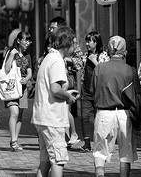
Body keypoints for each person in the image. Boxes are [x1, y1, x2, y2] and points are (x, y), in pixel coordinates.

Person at [31, 26, 79, 177]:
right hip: (52, 118)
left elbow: (51, 88)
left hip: (42, 116)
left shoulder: (48, 58)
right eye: (74, 43)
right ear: (67, 43)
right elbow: (55, 89)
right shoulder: (57, 60)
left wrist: (66, 93)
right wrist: (68, 97)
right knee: (58, 160)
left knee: (45, 160)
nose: (76, 46)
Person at [92, 36, 140, 177]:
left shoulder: (99, 68)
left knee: (100, 151)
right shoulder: (130, 70)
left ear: (108, 50)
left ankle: (100, 175)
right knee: (126, 152)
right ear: (124, 52)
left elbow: (93, 91)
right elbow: (137, 94)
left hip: (103, 112)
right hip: (124, 115)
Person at [48, 16, 84, 148]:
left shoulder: (71, 41)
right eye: (50, 27)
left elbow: (80, 62)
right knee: (61, 109)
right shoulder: (52, 42)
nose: (50, 30)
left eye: (53, 27)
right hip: (55, 79)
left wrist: (67, 60)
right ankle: (66, 136)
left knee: (64, 109)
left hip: (66, 79)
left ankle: (71, 135)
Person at [3, 31, 33, 152]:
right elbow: (6, 69)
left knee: (20, 115)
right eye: (26, 40)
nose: (28, 43)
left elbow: (30, 72)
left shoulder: (28, 56)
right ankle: (13, 140)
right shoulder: (11, 52)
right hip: (11, 87)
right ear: (19, 40)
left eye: (29, 41)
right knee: (14, 112)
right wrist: (11, 55)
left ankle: (15, 140)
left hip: (23, 88)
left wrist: (26, 78)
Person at [80, 31, 109, 152]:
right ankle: (86, 143)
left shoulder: (103, 55)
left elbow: (105, 73)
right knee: (84, 116)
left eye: (89, 41)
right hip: (86, 90)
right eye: (86, 41)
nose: (87, 43)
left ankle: (99, 142)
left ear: (96, 42)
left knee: (99, 117)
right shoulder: (84, 56)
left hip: (99, 91)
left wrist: (94, 61)